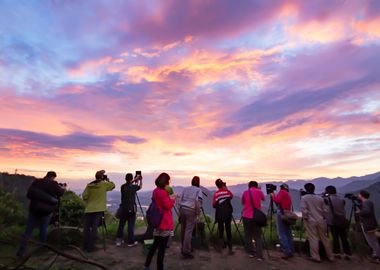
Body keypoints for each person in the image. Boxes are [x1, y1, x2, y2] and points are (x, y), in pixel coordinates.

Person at [16, 171, 66, 257]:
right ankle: (41, 249)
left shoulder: (37, 182)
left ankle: (21, 251)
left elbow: (29, 195)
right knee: (43, 229)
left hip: (34, 209)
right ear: (53, 177)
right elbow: (60, 193)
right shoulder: (53, 184)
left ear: (46, 175)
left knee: (28, 230)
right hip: (46, 211)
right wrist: (63, 188)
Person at [144, 173, 176, 270]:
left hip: (157, 221)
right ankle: (159, 268)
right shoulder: (163, 192)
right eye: (168, 181)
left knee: (154, 245)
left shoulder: (155, 191)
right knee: (161, 249)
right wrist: (173, 197)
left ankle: (147, 265)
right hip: (164, 222)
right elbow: (168, 206)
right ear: (165, 182)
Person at [82, 170, 115, 252]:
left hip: (89, 209)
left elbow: (84, 196)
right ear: (102, 177)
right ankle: (90, 247)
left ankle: (84, 246)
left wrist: (90, 201)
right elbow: (113, 186)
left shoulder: (89, 185)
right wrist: (107, 180)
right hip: (99, 210)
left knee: (86, 228)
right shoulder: (104, 184)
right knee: (94, 228)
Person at [301, 183, 334, 262]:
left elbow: (304, 210)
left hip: (310, 220)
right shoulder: (320, 198)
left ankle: (316, 256)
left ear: (306, 189)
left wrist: (306, 218)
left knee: (313, 238)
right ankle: (330, 256)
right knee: (324, 238)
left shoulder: (304, 198)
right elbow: (325, 210)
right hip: (321, 220)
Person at [115, 172, 143, 247]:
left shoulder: (122, 187)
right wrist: (140, 180)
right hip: (132, 210)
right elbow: (140, 187)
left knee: (121, 225)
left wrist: (135, 180)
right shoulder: (133, 187)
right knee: (130, 226)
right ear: (131, 179)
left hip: (123, 209)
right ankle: (130, 242)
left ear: (125, 179)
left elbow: (128, 185)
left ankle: (118, 241)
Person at [179, 176, 203, 258]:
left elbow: (180, 199)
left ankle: (184, 247)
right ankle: (186, 251)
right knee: (188, 231)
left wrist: (180, 210)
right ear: (198, 183)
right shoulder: (198, 190)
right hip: (191, 210)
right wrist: (198, 212)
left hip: (182, 209)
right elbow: (198, 202)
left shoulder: (185, 189)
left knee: (183, 229)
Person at [324, 185, 351, 260]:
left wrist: (324, 196)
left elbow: (324, 205)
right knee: (344, 238)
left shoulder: (327, 200)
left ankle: (337, 253)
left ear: (328, 191)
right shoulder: (342, 199)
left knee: (335, 238)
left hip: (333, 221)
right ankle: (347, 253)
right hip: (342, 220)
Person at [241, 181, 265, 260]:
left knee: (248, 236)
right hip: (256, 217)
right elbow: (263, 199)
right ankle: (259, 256)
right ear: (256, 186)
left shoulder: (245, 192)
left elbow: (242, 202)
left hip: (246, 217)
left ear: (249, 186)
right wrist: (259, 190)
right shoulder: (259, 191)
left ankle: (250, 253)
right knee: (258, 237)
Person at [271, 183, 294, 259]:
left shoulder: (282, 192)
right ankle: (291, 250)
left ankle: (286, 251)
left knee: (281, 233)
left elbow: (277, 200)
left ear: (281, 188)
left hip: (281, 213)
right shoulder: (287, 193)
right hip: (287, 213)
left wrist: (273, 194)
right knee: (288, 233)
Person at [357, 190, 380, 263]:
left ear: (362, 195)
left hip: (368, 225)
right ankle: (375, 254)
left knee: (372, 242)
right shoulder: (369, 201)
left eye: (359, 194)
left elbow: (367, 212)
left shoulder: (366, 202)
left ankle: (378, 257)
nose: (358, 196)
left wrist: (359, 212)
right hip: (372, 223)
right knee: (374, 241)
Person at [212, 179, 234, 255]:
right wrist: (226, 188)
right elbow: (231, 196)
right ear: (222, 184)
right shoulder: (227, 192)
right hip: (228, 214)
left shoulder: (216, 194)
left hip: (219, 214)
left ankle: (220, 249)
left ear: (217, 185)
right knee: (228, 230)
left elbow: (214, 205)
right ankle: (230, 250)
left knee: (221, 230)